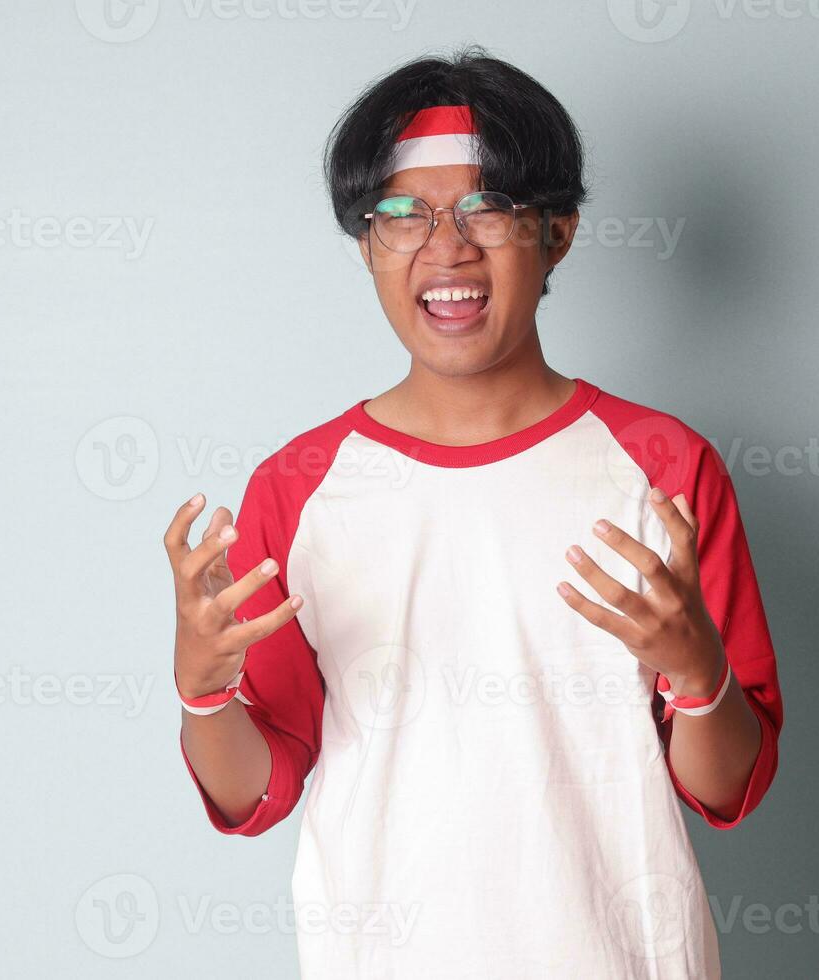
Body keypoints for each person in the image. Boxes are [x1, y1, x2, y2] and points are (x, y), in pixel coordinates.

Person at [165, 46, 783, 979]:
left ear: (559, 231)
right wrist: (203, 690)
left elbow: (728, 784)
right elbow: (258, 788)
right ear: (367, 243)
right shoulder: (298, 488)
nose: (445, 246)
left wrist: (699, 675)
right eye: (402, 215)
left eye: (487, 208)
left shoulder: (662, 469)